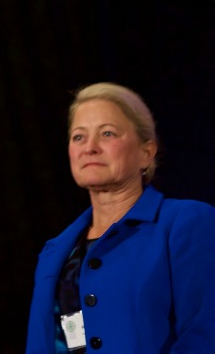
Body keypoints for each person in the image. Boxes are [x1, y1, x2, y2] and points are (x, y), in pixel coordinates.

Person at [25, 82, 215, 353]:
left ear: (146, 153)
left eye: (107, 134)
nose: (89, 147)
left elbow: (204, 336)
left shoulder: (187, 223)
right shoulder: (54, 252)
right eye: (79, 137)